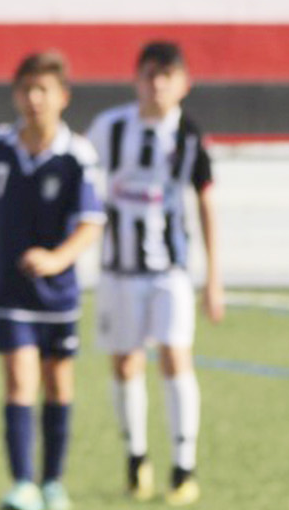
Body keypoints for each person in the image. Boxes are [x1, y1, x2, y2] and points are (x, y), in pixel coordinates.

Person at [85, 42, 221, 506]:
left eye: (168, 76)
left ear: (184, 83)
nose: (158, 84)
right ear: (136, 79)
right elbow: (81, 179)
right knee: (125, 363)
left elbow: (205, 202)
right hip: (119, 270)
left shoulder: (188, 135)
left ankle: (184, 466)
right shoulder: (110, 128)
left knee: (175, 357)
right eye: (150, 75)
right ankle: (135, 458)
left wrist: (214, 277)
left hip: (170, 271)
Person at [0, 51, 105, 510]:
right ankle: (23, 483)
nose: (33, 99)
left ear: (62, 97)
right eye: (25, 89)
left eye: (42, 90)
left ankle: (53, 482)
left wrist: (56, 259)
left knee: (59, 385)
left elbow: (91, 223)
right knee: (18, 380)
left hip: (58, 294)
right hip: (7, 290)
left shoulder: (77, 156)